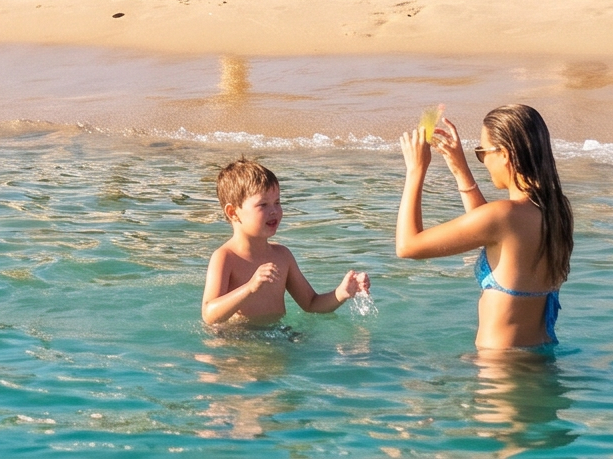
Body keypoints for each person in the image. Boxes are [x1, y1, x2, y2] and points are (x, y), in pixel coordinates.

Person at [396, 105, 573, 351]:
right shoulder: (557, 211)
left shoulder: (504, 215)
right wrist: (460, 169)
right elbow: (489, 233)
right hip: (541, 359)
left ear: (504, 154)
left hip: (500, 372)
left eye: (482, 152)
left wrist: (415, 170)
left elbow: (407, 246)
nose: (483, 162)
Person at [200, 157, 370, 326]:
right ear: (232, 212)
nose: (274, 211)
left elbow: (311, 303)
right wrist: (249, 288)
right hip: (238, 339)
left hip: (278, 336)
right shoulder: (225, 257)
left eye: (277, 202)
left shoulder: (282, 256)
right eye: (263, 205)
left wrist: (341, 293)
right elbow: (209, 314)